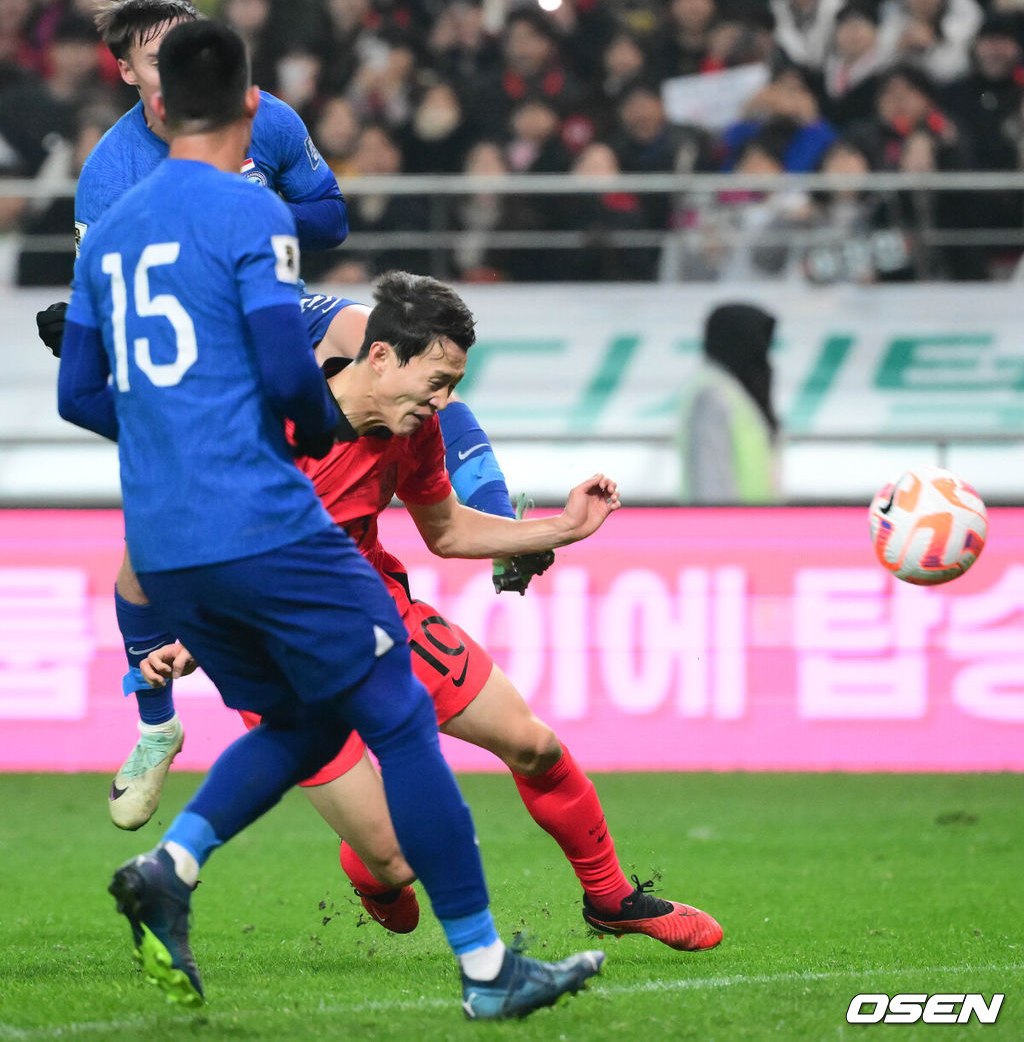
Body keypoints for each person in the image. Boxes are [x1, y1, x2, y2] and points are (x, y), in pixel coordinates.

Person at [55, 18, 604, 1018]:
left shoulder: (114, 229)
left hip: (165, 542)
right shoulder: (249, 216)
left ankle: (173, 864)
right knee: (397, 712)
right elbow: (283, 369)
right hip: (262, 519)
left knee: (306, 722)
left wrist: (174, 430)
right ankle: (487, 970)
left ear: (161, 104)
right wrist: (302, 427)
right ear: (255, 107)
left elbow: (77, 394)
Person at [34, 0, 539, 834]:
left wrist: (253, 214)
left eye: (191, 46)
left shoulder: (263, 119)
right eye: (157, 58)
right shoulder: (110, 176)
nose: (183, 67)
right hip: (201, 356)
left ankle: (492, 516)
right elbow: (108, 317)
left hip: (272, 311)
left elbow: (332, 216)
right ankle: (156, 725)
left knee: (390, 341)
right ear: (125, 73)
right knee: (140, 568)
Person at [145, 270, 724, 954]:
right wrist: (196, 631)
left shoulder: (412, 428)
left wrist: (563, 528)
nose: (445, 402)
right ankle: (377, 874)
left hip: (378, 618)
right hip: (274, 643)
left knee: (533, 743)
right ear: (382, 355)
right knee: (397, 856)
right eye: (438, 381)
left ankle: (611, 898)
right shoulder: (274, 423)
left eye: (453, 384)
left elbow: (445, 529)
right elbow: (198, 529)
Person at [678, 303, 781, 505]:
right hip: (730, 532)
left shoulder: (733, 393)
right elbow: (711, 487)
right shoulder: (712, 398)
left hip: (748, 529)